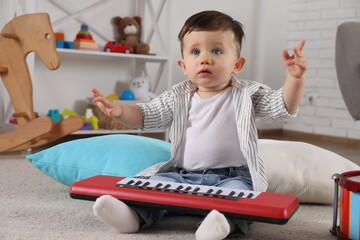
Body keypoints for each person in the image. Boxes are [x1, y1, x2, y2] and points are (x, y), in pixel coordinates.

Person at [91, 10, 307, 240]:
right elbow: (147, 115)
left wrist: (295, 79)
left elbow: (282, 106)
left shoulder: (247, 94)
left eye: (216, 50)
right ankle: (133, 216)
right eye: (195, 51)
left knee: (241, 198)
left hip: (233, 176)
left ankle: (221, 224)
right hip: (182, 175)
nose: (205, 58)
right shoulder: (178, 95)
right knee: (154, 186)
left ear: (237, 64)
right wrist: (121, 111)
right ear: (184, 66)